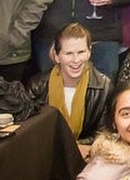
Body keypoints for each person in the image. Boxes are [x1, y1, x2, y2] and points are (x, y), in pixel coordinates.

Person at [29, 22, 114, 157]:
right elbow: (30, 132)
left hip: (87, 158)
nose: (76, 60)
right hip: (45, 156)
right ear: (57, 56)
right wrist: (69, 148)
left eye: (81, 52)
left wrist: (75, 149)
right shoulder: (37, 86)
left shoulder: (105, 87)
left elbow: (104, 134)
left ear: (89, 52)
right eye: (68, 53)